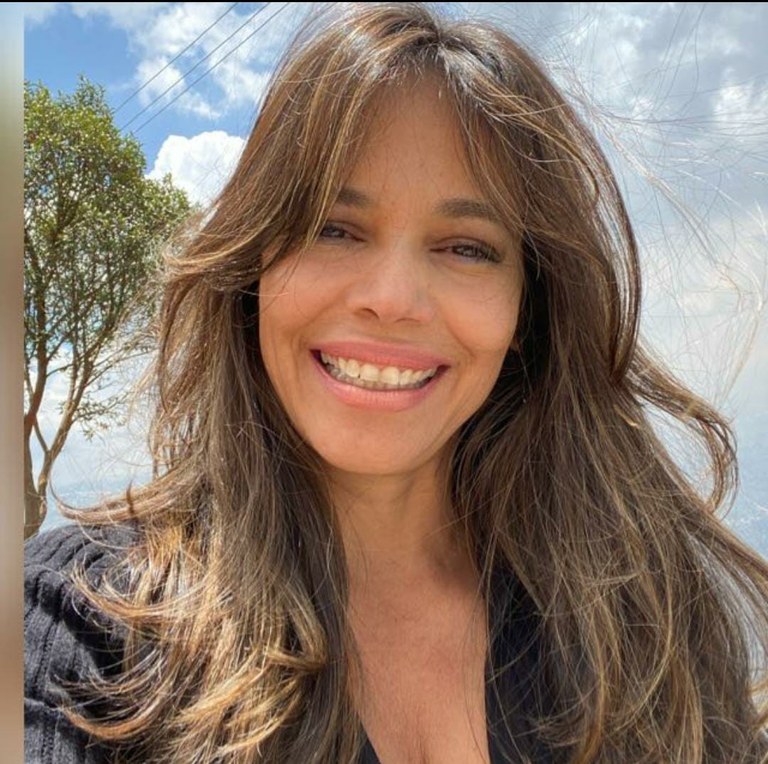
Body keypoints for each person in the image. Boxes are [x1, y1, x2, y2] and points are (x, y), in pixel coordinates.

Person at [24, 3, 768, 763]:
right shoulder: (80, 623)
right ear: (251, 270)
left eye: (466, 247)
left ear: (528, 308)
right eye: (333, 228)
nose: (392, 298)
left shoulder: (647, 621)